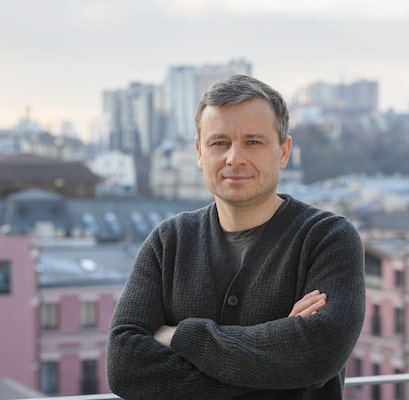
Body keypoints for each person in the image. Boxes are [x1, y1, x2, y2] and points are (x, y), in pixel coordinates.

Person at [106, 74, 366, 400]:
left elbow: (317, 354)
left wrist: (180, 336)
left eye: (253, 142)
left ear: (283, 151)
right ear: (199, 152)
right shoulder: (168, 242)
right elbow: (125, 367)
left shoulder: (327, 238)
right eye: (219, 143)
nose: (234, 158)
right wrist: (279, 358)